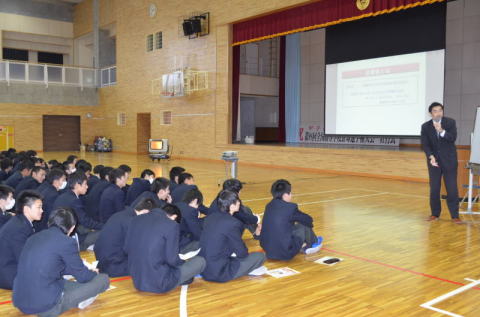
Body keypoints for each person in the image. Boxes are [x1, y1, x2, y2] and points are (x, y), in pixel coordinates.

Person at [13, 208, 110, 316]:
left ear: (50, 222)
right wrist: (93, 272)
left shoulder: (33, 238)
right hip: (47, 307)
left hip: (21, 301)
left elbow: (52, 265)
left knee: (65, 282)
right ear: (72, 227)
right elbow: (83, 277)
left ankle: (78, 297)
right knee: (103, 279)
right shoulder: (67, 242)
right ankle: (77, 300)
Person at [124, 203, 206, 293]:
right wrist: (183, 263)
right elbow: (172, 260)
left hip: (137, 280)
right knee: (200, 262)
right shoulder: (171, 225)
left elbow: (126, 248)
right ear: (174, 217)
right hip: (159, 282)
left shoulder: (136, 219)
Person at [200, 190, 266, 282]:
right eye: (237, 201)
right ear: (231, 206)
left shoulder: (210, 217)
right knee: (260, 256)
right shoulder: (233, 223)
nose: (239, 202)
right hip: (219, 271)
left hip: (204, 268)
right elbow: (242, 253)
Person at [260, 179, 323, 260]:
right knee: (302, 225)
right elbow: (309, 221)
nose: (291, 195)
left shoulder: (269, 205)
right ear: (285, 195)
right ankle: (312, 243)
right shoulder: (291, 207)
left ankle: (308, 242)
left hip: (267, 250)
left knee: (286, 226)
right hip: (285, 253)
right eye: (290, 193)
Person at [94, 198, 155, 277]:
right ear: (145, 212)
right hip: (114, 266)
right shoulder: (132, 222)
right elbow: (136, 250)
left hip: (101, 262)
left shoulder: (121, 214)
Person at [421, 102, 461, 223]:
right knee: (434, 189)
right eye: (435, 111)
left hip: (449, 161)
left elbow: (452, 138)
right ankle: (435, 214)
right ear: (430, 113)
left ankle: (455, 216)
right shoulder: (425, 126)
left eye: (440, 110)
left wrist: (442, 131)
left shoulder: (450, 122)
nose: (438, 113)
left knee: (452, 189)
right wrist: (430, 156)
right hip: (434, 163)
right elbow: (425, 144)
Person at [0, 190, 43, 289]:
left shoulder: (21, 222)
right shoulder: (18, 229)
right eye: (39, 207)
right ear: (27, 209)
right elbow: (25, 259)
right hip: (10, 276)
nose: (42, 210)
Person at [53, 172, 103, 250]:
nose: (87, 187)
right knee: (102, 232)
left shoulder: (63, 195)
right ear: (77, 185)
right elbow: (86, 221)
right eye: (85, 184)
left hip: (59, 234)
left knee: (88, 229)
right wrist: (103, 226)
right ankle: (82, 246)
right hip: (69, 238)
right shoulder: (74, 201)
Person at [177, 188, 204, 253]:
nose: (197, 207)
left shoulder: (177, 204)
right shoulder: (190, 211)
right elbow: (197, 234)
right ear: (195, 201)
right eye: (198, 204)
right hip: (179, 245)